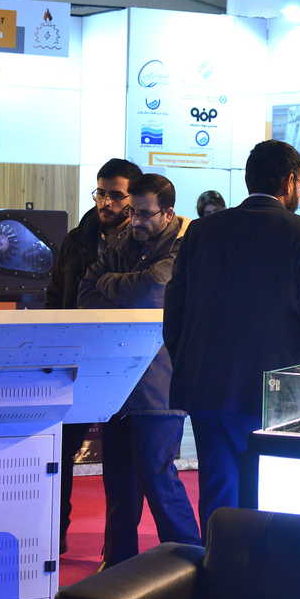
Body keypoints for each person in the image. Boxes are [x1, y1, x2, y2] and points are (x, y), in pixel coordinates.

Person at [164, 140, 300, 536]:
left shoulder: (202, 230)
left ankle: (218, 564)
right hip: (271, 388)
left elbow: (175, 310)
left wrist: (187, 359)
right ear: (289, 182)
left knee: (219, 489)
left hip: (205, 383)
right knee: (267, 489)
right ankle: (257, 568)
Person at [79, 173, 200, 565]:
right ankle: (117, 567)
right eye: (132, 211)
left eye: (145, 214)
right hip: (116, 383)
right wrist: (121, 288)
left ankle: (188, 563)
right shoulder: (123, 241)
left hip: (160, 382)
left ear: (168, 214)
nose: (134, 221)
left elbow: (152, 291)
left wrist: (109, 285)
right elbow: (85, 294)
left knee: (156, 475)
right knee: (118, 484)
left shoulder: (185, 246)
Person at [45, 157, 142, 554]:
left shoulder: (145, 241)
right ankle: (53, 535)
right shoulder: (78, 239)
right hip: (75, 361)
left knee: (121, 462)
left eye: (115, 195)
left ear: (133, 198)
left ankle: (118, 552)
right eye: (100, 193)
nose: (105, 202)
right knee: (57, 453)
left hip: (123, 363)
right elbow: (55, 297)